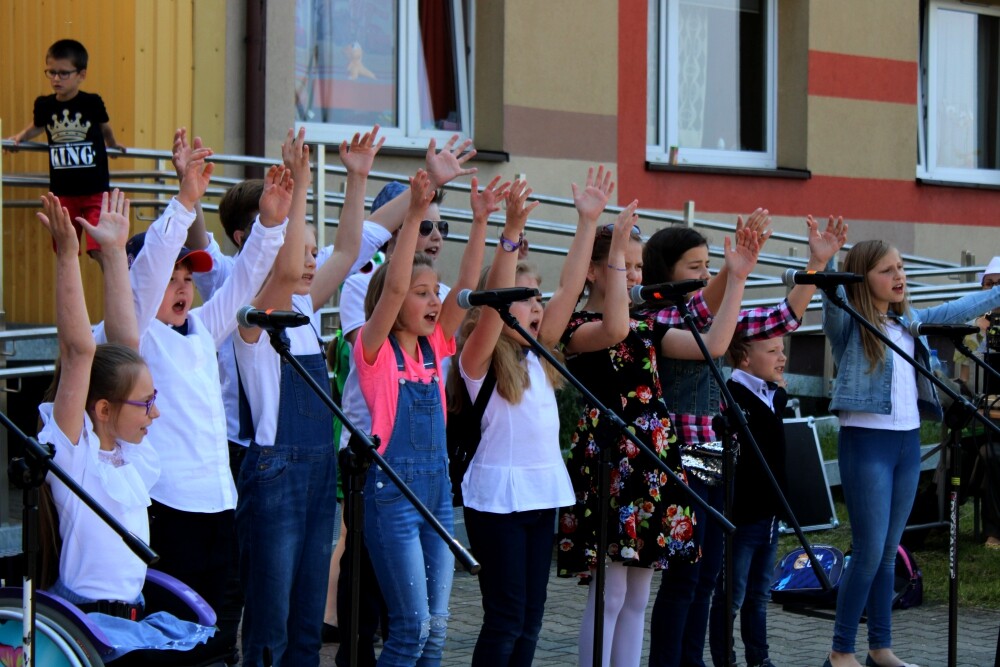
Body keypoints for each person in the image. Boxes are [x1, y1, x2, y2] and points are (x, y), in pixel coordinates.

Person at [95, 135, 290, 663]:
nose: (183, 287)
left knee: (219, 638)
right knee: (169, 637)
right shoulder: (131, 335)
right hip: (169, 508)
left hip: (220, 504)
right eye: (172, 279)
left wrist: (271, 224)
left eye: (189, 277)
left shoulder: (202, 328)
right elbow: (150, 266)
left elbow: (246, 279)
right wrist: (185, 201)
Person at [556, 203, 760, 667]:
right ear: (592, 272)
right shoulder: (578, 328)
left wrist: (738, 279)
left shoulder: (649, 325)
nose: (633, 276)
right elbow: (614, 328)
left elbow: (714, 347)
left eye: (638, 268)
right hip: (611, 457)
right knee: (608, 594)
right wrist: (612, 254)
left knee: (636, 594)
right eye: (624, 266)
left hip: (653, 456)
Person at [644, 215, 847, 667]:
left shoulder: (707, 313)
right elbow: (708, 332)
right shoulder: (653, 317)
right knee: (683, 579)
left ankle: (693, 661)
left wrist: (815, 265)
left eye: (706, 264)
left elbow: (782, 318)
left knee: (705, 577)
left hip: (714, 457)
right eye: (693, 266)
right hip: (676, 457)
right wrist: (733, 275)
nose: (702, 274)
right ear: (665, 270)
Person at [35, 192, 214, 662]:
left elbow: (126, 342)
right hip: (83, 628)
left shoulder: (133, 455)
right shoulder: (76, 457)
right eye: (146, 403)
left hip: (134, 620)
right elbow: (79, 351)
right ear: (102, 410)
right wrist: (68, 256)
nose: (155, 413)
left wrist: (115, 255)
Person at [232, 126, 377, 666]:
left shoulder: (309, 313)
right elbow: (289, 268)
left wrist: (357, 178)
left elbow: (345, 248)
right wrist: (301, 185)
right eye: (304, 250)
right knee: (268, 630)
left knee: (306, 630)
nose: (313, 261)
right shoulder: (254, 316)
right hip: (275, 480)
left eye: (312, 252)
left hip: (319, 477)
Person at [453, 168, 610, 666]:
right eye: (525, 298)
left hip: (541, 495)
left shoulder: (541, 356)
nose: (536, 307)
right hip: (497, 500)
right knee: (506, 617)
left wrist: (588, 223)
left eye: (536, 298)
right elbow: (497, 308)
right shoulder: (478, 357)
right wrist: (510, 234)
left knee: (532, 619)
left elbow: (569, 286)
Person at [332, 136, 477, 667]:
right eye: (423, 293)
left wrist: (488, 226)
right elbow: (392, 291)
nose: (433, 300)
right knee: (409, 629)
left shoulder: (436, 350)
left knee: (436, 634)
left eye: (432, 293)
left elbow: (464, 286)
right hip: (392, 500)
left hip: (438, 498)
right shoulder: (376, 353)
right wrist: (416, 210)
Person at [822, 239, 1000, 667]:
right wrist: (823, 259)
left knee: (888, 551)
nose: (899, 276)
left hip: (906, 442)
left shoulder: (909, 323)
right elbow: (831, 300)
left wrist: (997, 293)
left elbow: (957, 309)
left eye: (901, 267)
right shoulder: (851, 323)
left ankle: (880, 649)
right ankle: (840, 650)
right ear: (862, 279)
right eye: (887, 270)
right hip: (867, 443)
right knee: (867, 551)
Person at [707, 336, 790, 667]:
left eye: (782, 350)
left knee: (760, 593)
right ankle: (724, 659)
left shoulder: (773, 395)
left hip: (770, 512)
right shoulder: (733, 397)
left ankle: (760, 658)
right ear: (744, 359)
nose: (781, 357)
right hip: (743, 514)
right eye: (772, 351)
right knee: (732, 594)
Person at [6, 39, 125, 258]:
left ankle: (119, 290)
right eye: (51, 72)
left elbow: (105, 127)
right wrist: (21, 136)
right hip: (63, 191)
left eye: (63, 73)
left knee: (100, 249)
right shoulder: (45, 105)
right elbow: (37, 127)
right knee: (65, 251)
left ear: (81, 74)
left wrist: (113, 144)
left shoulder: (91, 102)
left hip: (95, 190)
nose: (55, 78)